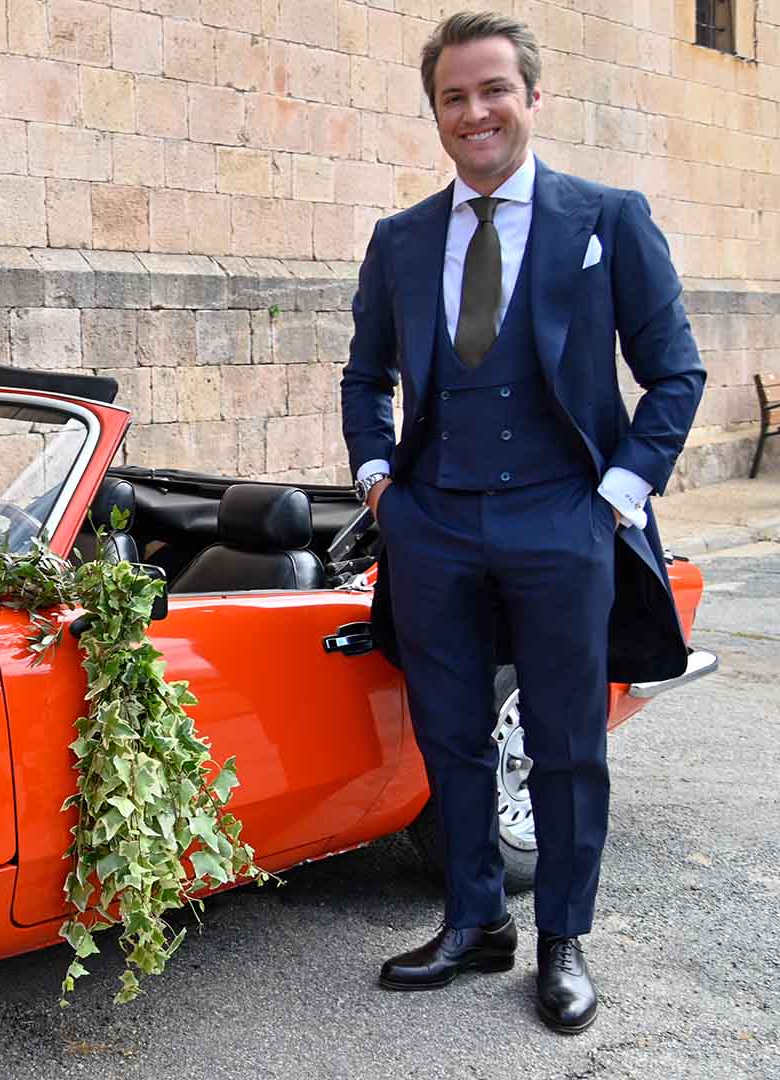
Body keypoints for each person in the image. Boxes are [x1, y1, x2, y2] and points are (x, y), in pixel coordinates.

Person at [339, 12, 705, 1035]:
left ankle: (563, 942)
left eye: (493, 90)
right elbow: (365, 375)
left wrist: (617, 497)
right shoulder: (402, 239)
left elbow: (675, 371)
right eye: (454, 98)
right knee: (450, 733)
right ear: (438, 114)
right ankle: (472, 921)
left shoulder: (608, 219)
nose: (475, 112)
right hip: (434, 523)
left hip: (564, 517)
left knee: (565, 743)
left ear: (532, 98)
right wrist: (379, 482)